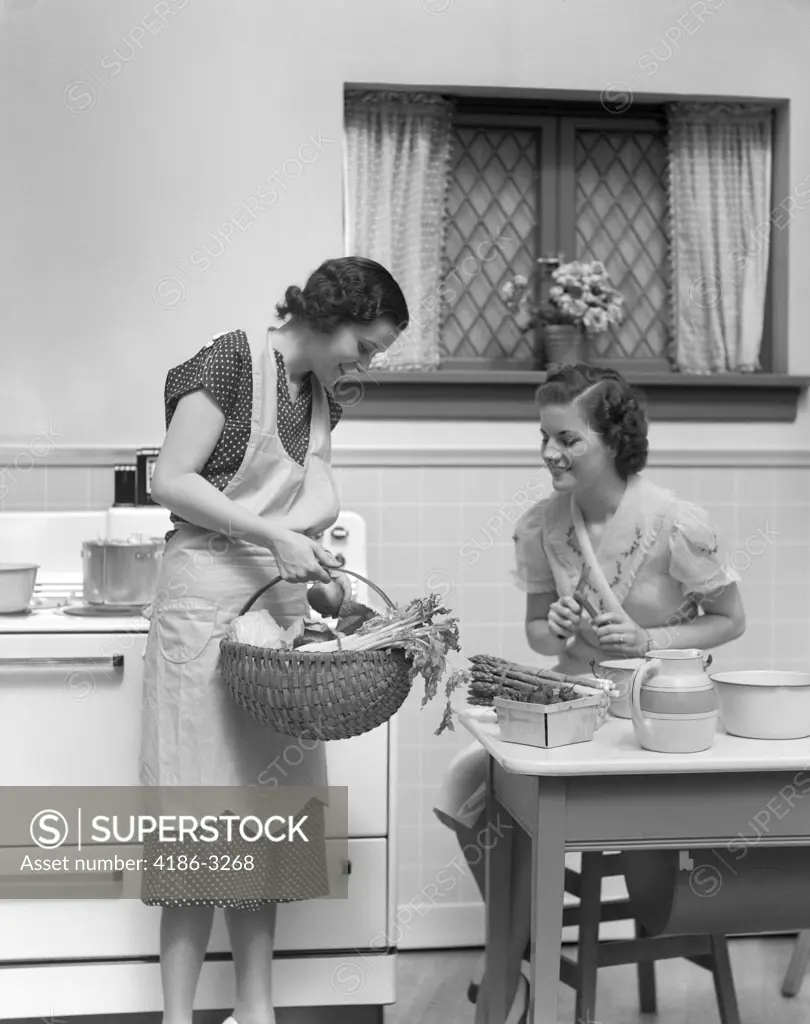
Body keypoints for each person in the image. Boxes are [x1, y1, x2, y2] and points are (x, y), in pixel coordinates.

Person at [139, 256, 407, 1024]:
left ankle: (255, 1010)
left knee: (265, 821)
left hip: (273, 617)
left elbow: (301, 517)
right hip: (203, 607)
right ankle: (177, 1017)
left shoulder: (320, 397)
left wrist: (317, 573)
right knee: (198, 826)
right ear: (329, 315)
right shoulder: (227, 362)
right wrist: (272, 537)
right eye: (366, 342)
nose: (367, 362)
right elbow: (171, 477)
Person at [434, 364, 746, 1022]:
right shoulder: (542, 525)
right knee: (469, 783)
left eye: (567, 439)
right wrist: (551, 627)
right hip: (576, 702)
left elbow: (731, 619)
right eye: (544, 438)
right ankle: (515, 943)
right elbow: (540, 637)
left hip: (656, 707)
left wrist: (647, 639)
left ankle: (509, 963)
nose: (550, 453)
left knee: (579, 811)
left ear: (614, 439)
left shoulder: (675, 521)